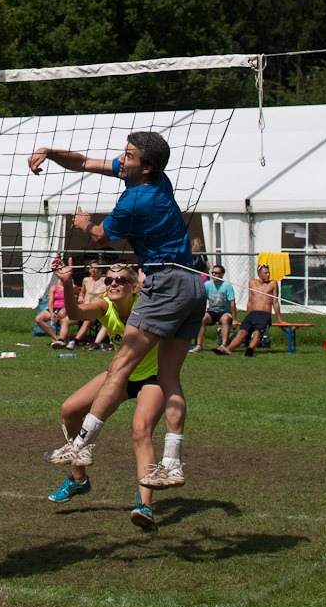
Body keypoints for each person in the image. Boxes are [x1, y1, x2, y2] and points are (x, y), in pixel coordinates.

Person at [28, 131, 206, 488]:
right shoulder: (156, 179)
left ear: (146, 167)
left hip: (165, 282)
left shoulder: (136, 200)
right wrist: (49, 151)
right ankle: (173, 463)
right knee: (170, 377)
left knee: (119, 366)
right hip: (193, 285)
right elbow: (83, 162)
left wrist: (83, 225)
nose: (121, 160)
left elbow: (99, 236)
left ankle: (81, 445)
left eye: (128, 156)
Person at [45, 260, 164, 531]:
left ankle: (145, 506)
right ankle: (78, 479)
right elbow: (74, 312)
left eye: (120, 280)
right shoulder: (104, 306)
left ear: (133, 288)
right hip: (120, 374)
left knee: (141, 431)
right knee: (70, 410)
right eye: (109, 280)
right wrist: (66, 282)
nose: (113, 283)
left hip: (152, 377)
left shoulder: (146, 306)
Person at [214, 263, 283, 356]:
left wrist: (280, 320)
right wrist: (247, 316)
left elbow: (275, 303)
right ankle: (228, 349)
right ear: (259, 274)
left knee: (257, 333)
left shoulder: (273, 284)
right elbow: (250, 301)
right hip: (252, 314)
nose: (268, 275)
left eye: (268, 273)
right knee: (242, 332)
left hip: (264, 314)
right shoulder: (252, 283)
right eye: (266, 273)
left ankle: (250, 349)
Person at [190, 264, 237, 352]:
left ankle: (223, 346)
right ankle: (199, 346)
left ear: (222, 274)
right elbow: (202, 299)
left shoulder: (227, 286)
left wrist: (234, 319)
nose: (214, 275)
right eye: (213, 273)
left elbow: (232, 303)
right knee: (202, 318)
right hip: (212, 311)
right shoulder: (207, 284)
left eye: (217, 273)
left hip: (224, 312)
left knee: (226, 319)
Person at [76, 261, 111, 350]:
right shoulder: (86, 280)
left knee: (87, 320)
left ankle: (75, 341)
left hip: (95, 308)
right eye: (91, 268)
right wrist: (80, 297)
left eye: (95, 268)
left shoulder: (103, 280)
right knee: (63, 315)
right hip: (83, 306)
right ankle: (61, 340)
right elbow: (82, 292)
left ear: (99, 269)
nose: (93, 270)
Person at [35, 275, 74, 349]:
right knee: (38, 319)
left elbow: (77, 297)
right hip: (55, 308)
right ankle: (56, 338)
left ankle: (63, 339)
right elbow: (51, 302)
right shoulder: (53, 288)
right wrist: (51, 313)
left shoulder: (72, 287)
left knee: (62, 314)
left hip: (66, 308)